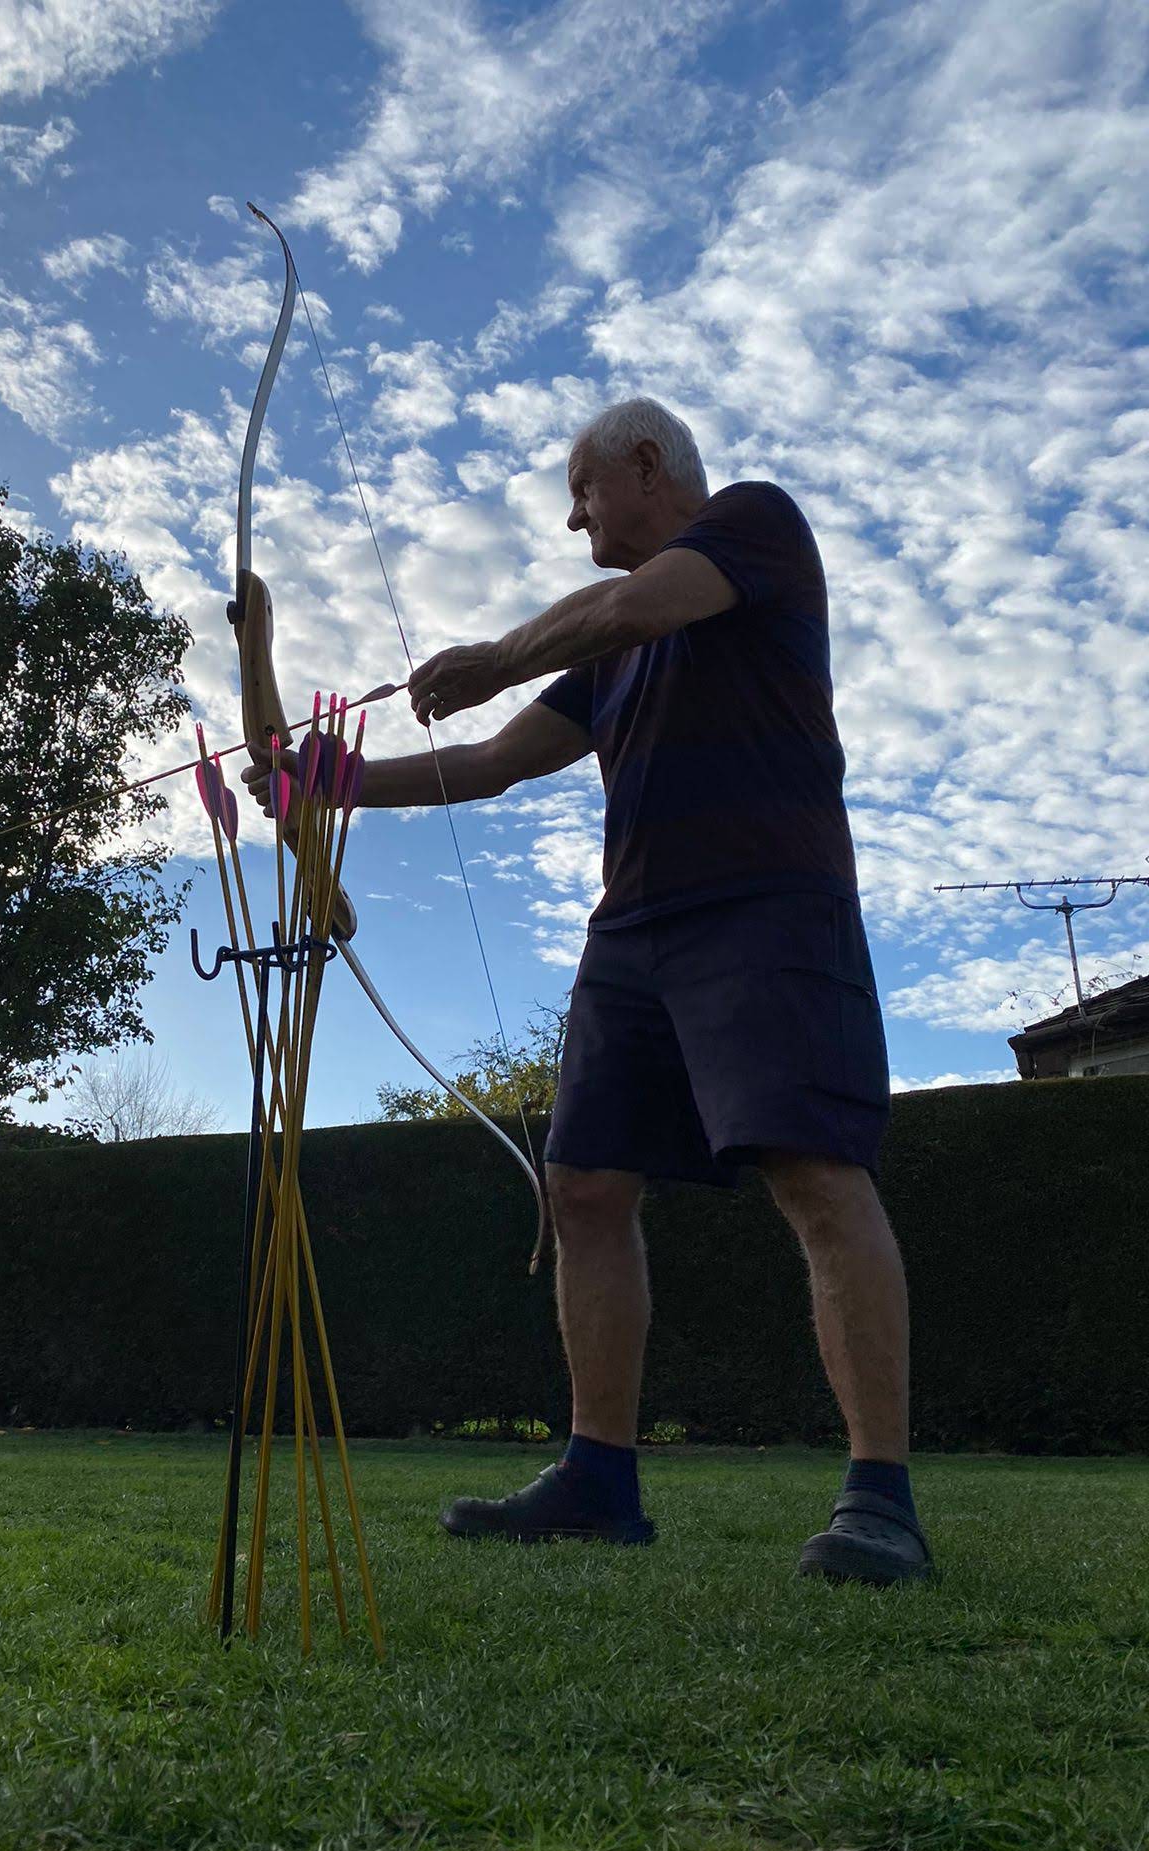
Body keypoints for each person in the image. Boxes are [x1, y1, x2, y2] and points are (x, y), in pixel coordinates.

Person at [244, 397, 931, 1586]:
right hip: (634, 929)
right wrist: (324, 780)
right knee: (584, 1184)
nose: (574, 518)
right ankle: (598, 1476)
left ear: (648, 465)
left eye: (582, 490)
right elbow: (492, 762)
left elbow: (627, 606)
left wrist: (493, 656)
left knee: (815, 1171)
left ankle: (881, 1497)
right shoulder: (609, 656)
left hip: (767, 898)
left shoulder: (754, 526)